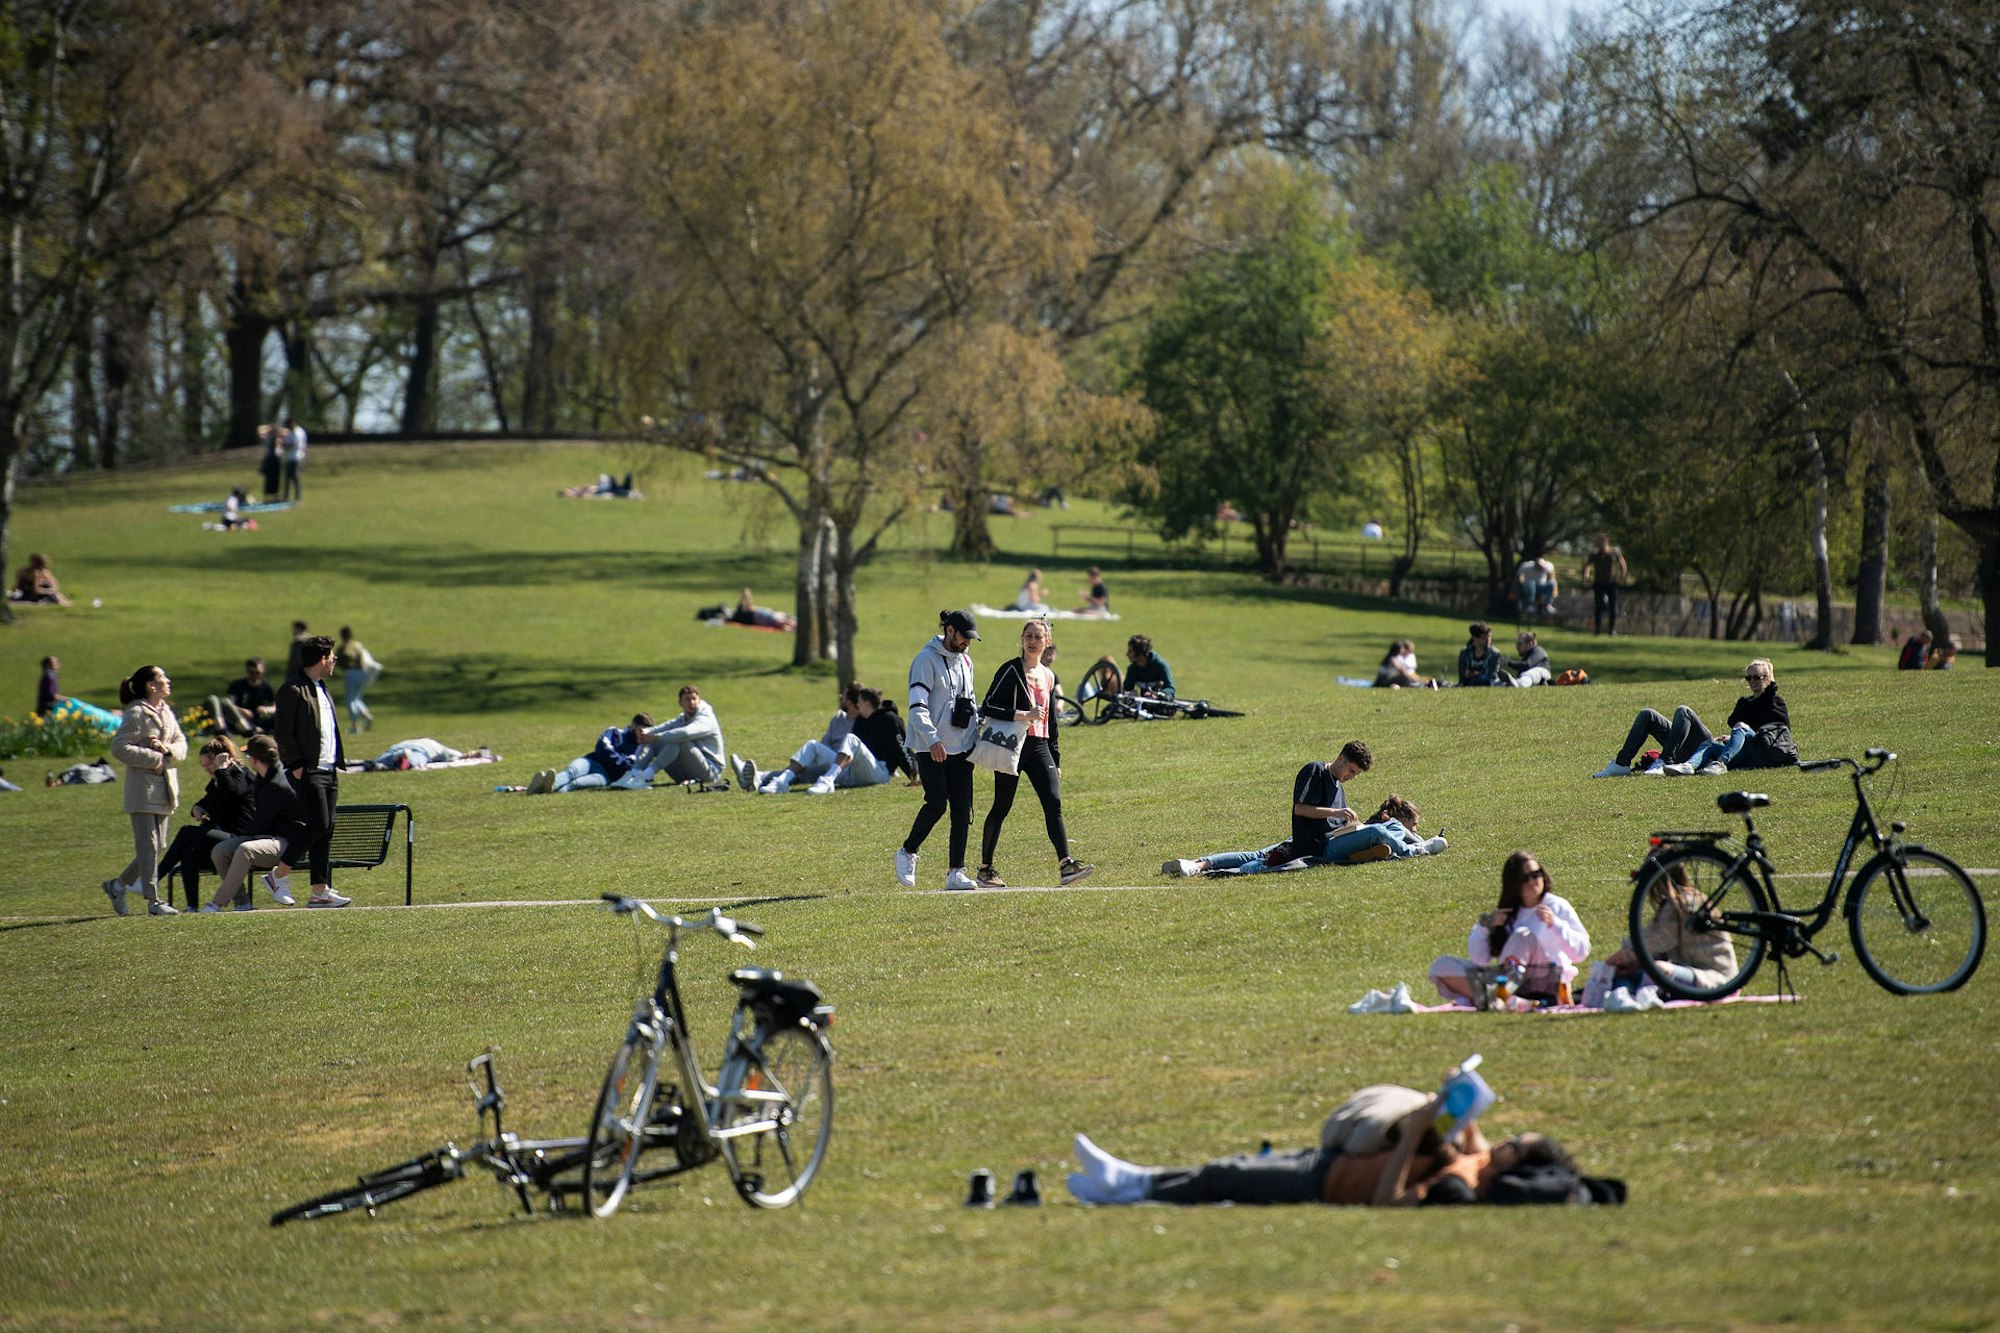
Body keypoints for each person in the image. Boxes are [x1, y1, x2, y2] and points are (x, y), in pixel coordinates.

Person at [1066, 1077, 1611, 1208]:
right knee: (1224, 1166)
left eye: (1517, 1142)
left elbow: (1389, 1203)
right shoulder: (1478, 1158)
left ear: (1517, 1165)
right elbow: (1474, 1140)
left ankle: (1126, 1188)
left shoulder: (1461, 1181)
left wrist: (1413, 1139)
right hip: (1328, 1161)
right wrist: (1458, 1100)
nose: (1507, 1139)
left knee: (1222, 1179)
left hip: (1325, 1183)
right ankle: (1130, 1179)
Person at [974, 620, 1094, 888]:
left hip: (1039, 746)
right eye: (1028, 636)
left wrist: (1056, 758)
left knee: (1053, 802)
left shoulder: (1049, 675)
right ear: (1021, 639)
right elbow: (990, 706)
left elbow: (1050, 721)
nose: (1032, 641)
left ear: (1047, 641)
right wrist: (1023, 715)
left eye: (1038, 637)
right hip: (1013, 744)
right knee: (1002, 806)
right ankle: (985, 869)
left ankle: (1066, 866)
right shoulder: (1011, 669)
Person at [1161, 741, 1374, 877]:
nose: (1351, 777)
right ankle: (1196, 866)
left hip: (1316, 849)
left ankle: (1193, 866)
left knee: (1257, 859)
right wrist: (1336, 812)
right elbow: (1300, 809)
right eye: (1351, 771)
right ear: (1341, 758)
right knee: (1255, 858)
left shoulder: (1339, 786)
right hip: (1301, 845)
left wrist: (1352, 825)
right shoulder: (1315, 771)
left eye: (1356, 774)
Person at [1428, 850, 1591, 1003]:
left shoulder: (1556, 906)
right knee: (1441, 965)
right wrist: (1486, 926)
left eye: (1536, 874)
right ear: (1514, 883)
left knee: (1523, 935)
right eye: (1525, 878)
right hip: (1507, 979)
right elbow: (1480, 959)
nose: (1533, 881)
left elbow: (1581, 952)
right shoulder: (1509, 913)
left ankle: (1497, 999)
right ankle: (1506, 1000)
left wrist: (1555, 924)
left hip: (1547, 982)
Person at [1592, 658, 1797, 777]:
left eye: (1757, 677)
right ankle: (1621, 763)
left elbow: (1778, 731)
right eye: (1749, 677)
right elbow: (1734, 724)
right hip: (1710, 746)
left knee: (1684, 711)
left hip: (1739, 751)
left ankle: (1665, 761)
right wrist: (1729, 735)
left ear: (1768, 678)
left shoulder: (1775, 701)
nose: (1752, 681)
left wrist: (1768, 693)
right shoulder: (1744, 702)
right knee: (1648, 715)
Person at [1166, 789, 1441, 877]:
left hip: (1315, 840)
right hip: (1325, 843)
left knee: (1262, 856)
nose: (1414, 830)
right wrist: (1418, 844)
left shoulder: (1382, 826)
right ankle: (1200, 864)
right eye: (1412, 826)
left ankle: (1200, 865)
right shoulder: (1388, 825)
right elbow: (1396, 831)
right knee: (1262, 857)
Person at [896, 609, 981, 890]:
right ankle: (908, 851)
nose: (967, 642)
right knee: (936, 803)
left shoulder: (966, 662)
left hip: (962, 746)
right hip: (930, 745)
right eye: (964, 636)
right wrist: (932, 739)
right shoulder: (925, 660)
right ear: (950, 631)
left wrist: (976, 738)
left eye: (971, 638)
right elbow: (916, 706)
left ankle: (956, 872)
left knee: (961, 809)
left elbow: (969, 701)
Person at [268, 634, 350, 907]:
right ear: (322, 659)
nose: (335, 662)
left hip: (328, 769)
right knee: (318, 823)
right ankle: (278, 875)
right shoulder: (292, 690)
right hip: (308, 769)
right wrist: (296, 765)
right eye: (333, 657)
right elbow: (283, 732)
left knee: (326, 829)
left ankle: (319, 891)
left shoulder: (323, 688)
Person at [100, 666, 188, 916]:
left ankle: (117, 886)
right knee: (148, 846)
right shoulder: (136, 712)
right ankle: (154, 901)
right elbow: (119, 748)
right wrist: (154, 759)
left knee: (158, 846)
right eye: (163, 678)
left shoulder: (166, 711)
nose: (168, 681)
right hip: (142, 790)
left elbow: (182, 742)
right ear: (151, 685)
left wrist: (167, 750)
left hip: (166, 788)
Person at [202, 735, 310, 913]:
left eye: (249, 756)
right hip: (264, 837)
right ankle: (242, 903)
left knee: (245, 850)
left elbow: (261, 823)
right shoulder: (262, 778)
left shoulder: (278, 785)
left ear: (255, 759)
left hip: (286, 843)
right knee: (220, 851)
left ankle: (217, 903)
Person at [1602, 858, 1739, 997]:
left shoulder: (1684, 904)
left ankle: (1629, 995)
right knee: (1632, 970)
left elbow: (1655, 941)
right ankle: (1623, 995)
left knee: (1659, 969)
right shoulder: (1678, 901)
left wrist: (1625, 955)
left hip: (1715, 979)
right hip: (1688, 971)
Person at [735, 683, 894, 794]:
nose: (841, 700)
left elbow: (894, 747)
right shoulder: (839, 719)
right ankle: (779, 781)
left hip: (860, 769)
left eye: (845, 698)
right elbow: (823, 745)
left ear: (857, 704)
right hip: (838, 768)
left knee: (848, 740)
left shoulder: (872, 720)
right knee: (812, 747)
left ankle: (826, 781)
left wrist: (906, 772)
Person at [157, 736, 258, 910]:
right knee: (189, 852)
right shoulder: (218, 780)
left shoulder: (239, 774)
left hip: (242, 837)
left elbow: (231, 793)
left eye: (209, 765)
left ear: (221, 759)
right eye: (204, 766)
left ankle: (155, 878)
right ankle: (192, 907)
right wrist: (197, 807)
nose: (208, 770)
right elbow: (209, 800)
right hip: (225, 838)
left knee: (187, 832)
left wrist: (221, 769)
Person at [611, 686, 727, 789]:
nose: (691, 703)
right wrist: (645, 732)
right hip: (687, 773)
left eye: (694, 699)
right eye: (687, 699)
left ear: (699, 700)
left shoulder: (705, 718)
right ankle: (634, 774)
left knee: (677, 739)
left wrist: (655, 737)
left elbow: (686, 733)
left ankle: (646, 776)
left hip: (710, 772)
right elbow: (667, 726)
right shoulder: (683, 718)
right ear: (680, 703)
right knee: (652, 739)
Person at [529, 714, 655, 793]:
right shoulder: (615, 732)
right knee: (572, 772)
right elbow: (602, 748)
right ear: (632, 725)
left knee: (575, 784)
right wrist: (621, 761)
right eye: (640, 730)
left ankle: (541, 789)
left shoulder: (644, 750)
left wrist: (617, 759)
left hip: (605, 776)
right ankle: (551, 784)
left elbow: (634, 767)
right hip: (590, 762)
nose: (643, 734)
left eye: (647, 731)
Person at [204, 657, 278, 737]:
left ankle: (248, 729)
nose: (255, 675)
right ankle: (225, 727)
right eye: (252, 673)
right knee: (219, 700)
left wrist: (266, 709)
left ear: (263, 671)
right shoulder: (237, 685)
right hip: (237, 718)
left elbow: (275, 707)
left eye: (258, 672)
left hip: (257, 720)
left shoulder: (266, 687)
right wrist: (243, 711)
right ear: (247, 671)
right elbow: (228, 704)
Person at [336, 625, 382, 733]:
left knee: (350, 700)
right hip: (362, 672)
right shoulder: (358, 644)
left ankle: (355, 726)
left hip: (351, 673)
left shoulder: (344, 647)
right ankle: (366, 715)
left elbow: (343, 660)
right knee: (357, 698)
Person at [1580, 535, 1627, 636]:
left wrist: (1623, 573)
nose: (1600, 544)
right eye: (1599, 542)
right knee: (1598, 606)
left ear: (1606, 542)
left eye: (1602, 541)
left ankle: (1611, 630)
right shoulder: (1594, 553)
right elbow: (1587, 565)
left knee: (1613, 607)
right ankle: (1598, 630)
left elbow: (1622, 562)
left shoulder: (1614, 552)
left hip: (1611, 583)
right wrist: (1586, 574)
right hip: (1599, 583)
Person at [1457, 622, 1505, 687]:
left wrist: (1476, 674)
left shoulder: (1494, 653)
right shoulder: (1465, 653)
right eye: (1483, 638)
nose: (1488, 640)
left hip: (1488, 682)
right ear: (1475, 638)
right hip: (1468, 682)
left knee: (1482, 679)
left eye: (1489, 636)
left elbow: (1491, 676)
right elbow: (1462, 677)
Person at [1514, 554, 1557, 621]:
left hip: (1541, 587)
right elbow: (1518, 575)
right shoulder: (1526, 566)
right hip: (1527, 588)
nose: (1540, 569)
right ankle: (1530, 605)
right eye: (1539, 567)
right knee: (1531, 583)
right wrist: (1521, 584)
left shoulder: (1548, 566)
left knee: (1552, 582)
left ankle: (1547, 605)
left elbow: (1552, 575)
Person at [280, 416, 307, 501]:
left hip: (296, 458)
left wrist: (283, 444)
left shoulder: (298, 432)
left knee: (295, 478)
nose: (288, 427)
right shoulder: (290, 432)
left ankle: (298, 498)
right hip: (289, 458)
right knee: (287, 478)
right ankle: (286, 497)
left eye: (289, 425)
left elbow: (292, 445)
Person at [257, 423, 283, 501]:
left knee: (275, 479)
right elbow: (260, 429)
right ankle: (268, 496)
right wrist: (268, 427)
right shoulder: (267, 438)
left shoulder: (278, 439)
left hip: (275, 460)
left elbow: (284, 431)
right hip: (270, 459)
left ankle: (274, 496)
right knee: (269, 479)